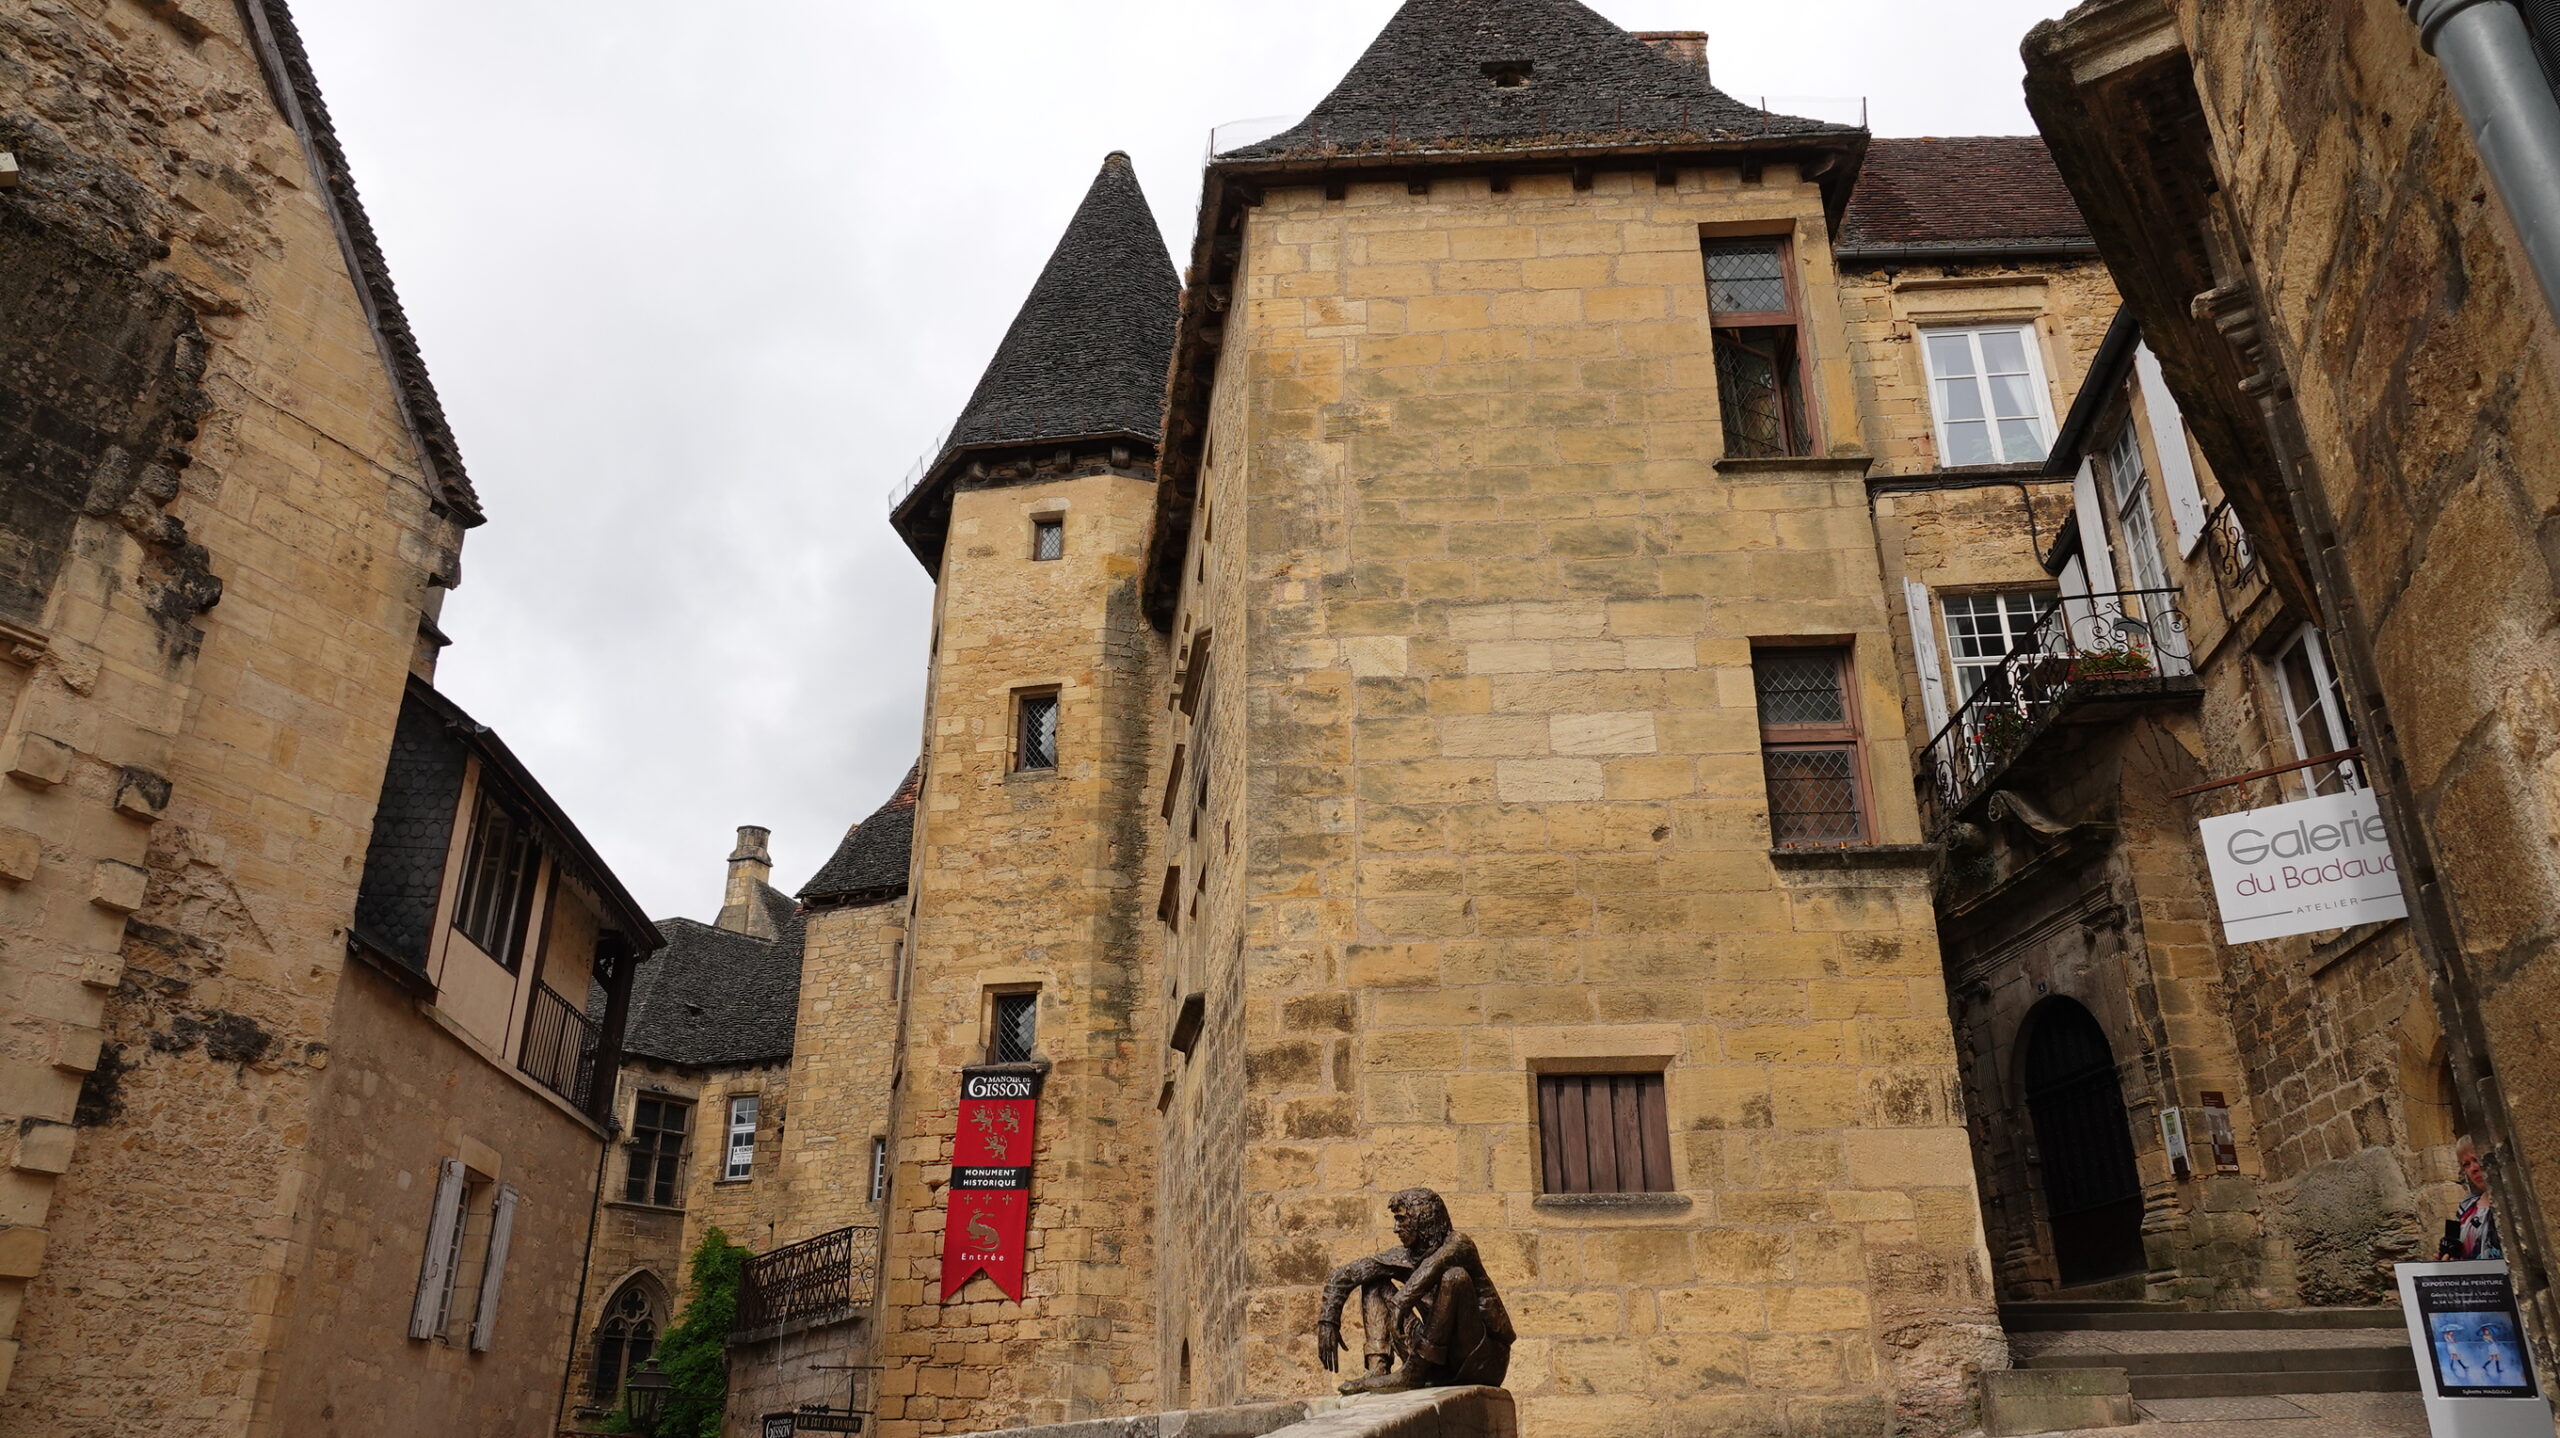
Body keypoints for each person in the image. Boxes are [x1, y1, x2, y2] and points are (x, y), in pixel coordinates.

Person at [1314, 1188, 1514, 1395]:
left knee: (1455, 1277)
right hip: (1436, 1359)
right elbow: (1345, 1274)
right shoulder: (1403, 1257)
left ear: (1423, 1219)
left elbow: (1433, 1266)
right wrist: (1328, 1321)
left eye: (1401, 1220)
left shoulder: (1460, 1244)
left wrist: (1401, 1302)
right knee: (1375, 1282)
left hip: (1481, 1359)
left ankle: (1415, 1370)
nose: (1396, 1228)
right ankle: (1378, 1368)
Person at [2441, 1137, 2503, 1261]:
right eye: (2466, 1164)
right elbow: (2450, 1244)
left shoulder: (2513, 1202)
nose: (2473, 1169)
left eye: (2476, 1160)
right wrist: (2447, 1256)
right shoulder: (2465, 1205)